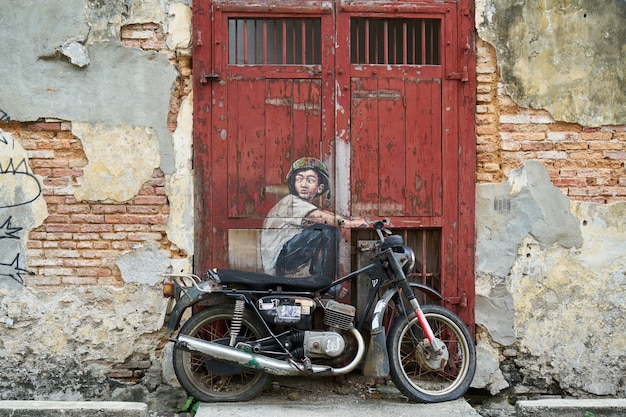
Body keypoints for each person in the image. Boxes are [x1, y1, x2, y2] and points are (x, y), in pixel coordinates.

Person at [261, 157, 365, 280]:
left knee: (324, 231)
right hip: (278, 261)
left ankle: (320, 279)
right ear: (294, 183)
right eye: (299, 179)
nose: (303, 184)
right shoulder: (291, 202)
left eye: (310, 180)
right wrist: (350, 223)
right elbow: (320, 217)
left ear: (320, 188)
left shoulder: (304, 205)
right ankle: (324, 281)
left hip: (285, 258)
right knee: (326, 231)